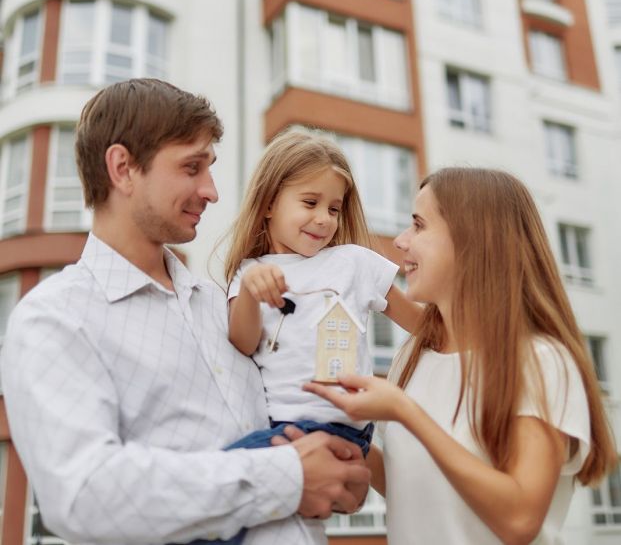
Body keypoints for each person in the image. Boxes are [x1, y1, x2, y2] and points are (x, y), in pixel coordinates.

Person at [1, 79, 371, 545]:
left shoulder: (225, 306)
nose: (212, 191)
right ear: (123, 168)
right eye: (191, 168)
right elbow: (85, 495)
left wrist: (340, 471)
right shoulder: (54, 319)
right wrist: (290, 477)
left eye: (210, 169)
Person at [306, 167, 618, 545]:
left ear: (473, 240)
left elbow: (519, 521)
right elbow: (411, 487)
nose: (401, 242)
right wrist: (332, 430)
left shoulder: (539, 361)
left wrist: (405, 411)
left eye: (419, 226)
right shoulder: (413, 356)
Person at [195, 129, 421, 545]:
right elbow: (243, 343)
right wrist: (248, 292)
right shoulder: (250, 272)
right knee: (223, 507)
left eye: (334, 208)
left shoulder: (354, 263)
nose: (324, 219)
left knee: (211, 491)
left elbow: (421, 324)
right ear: (267, 205)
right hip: (283, 429)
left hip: (338, 426)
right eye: (310, 203)